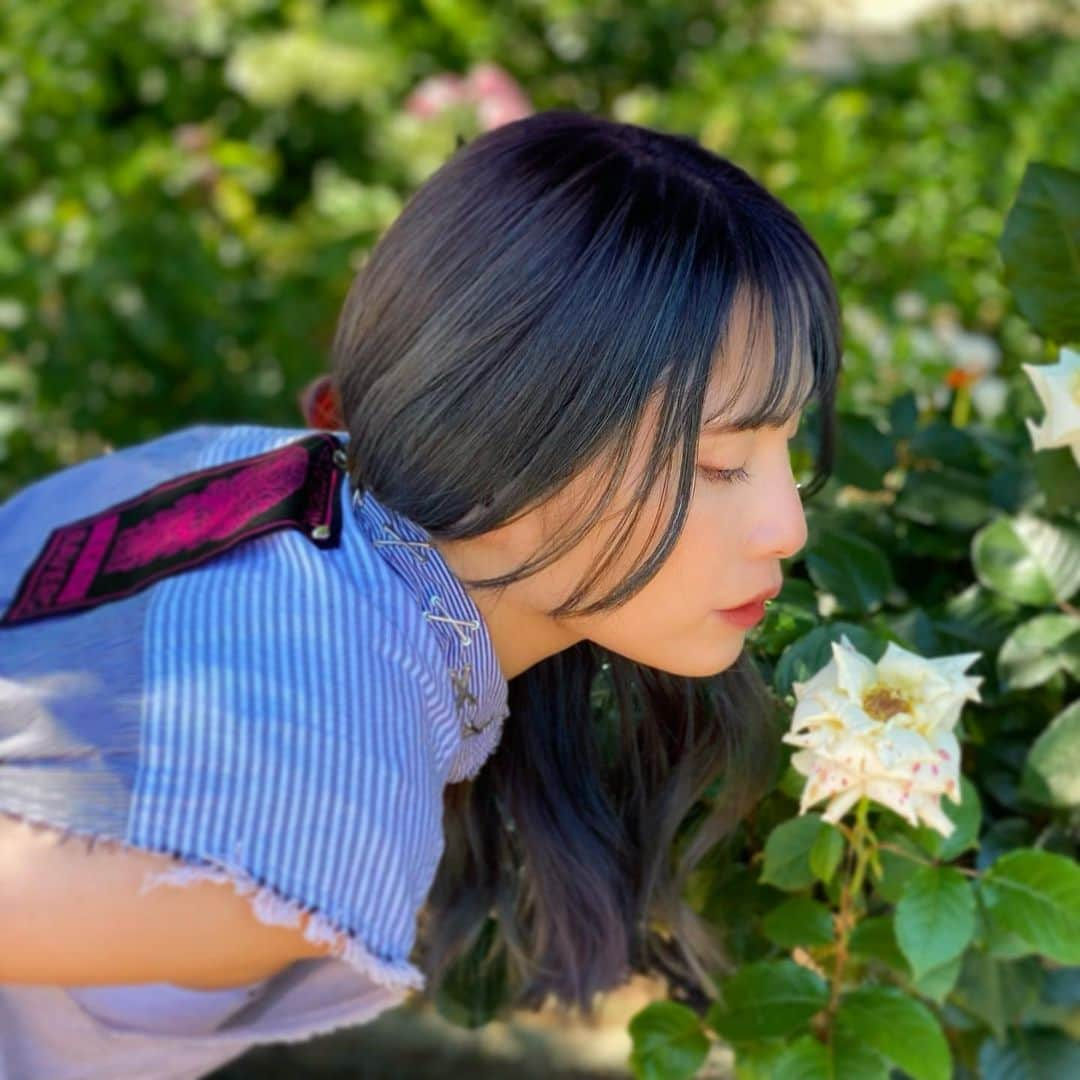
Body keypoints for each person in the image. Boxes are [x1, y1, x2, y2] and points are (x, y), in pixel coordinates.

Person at [0, 109, 840, 1078]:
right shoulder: (309, 788)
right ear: (504, 430)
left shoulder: (279, 483)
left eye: (785, 447)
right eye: (722, 461)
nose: (789, 525)